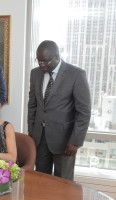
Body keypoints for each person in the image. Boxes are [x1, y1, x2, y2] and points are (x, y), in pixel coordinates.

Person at [28, 40, 91, 180]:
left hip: (65, 140)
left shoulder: (76, 74)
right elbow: (32, 104)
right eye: (39, 60)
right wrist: (31, 132)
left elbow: (84, 112)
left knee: (63, 183)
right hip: (40, 138)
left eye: (45, 61)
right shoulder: (35, 73)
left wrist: (75, 141)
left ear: (57, 56)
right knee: (40, 180)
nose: (41, 64)